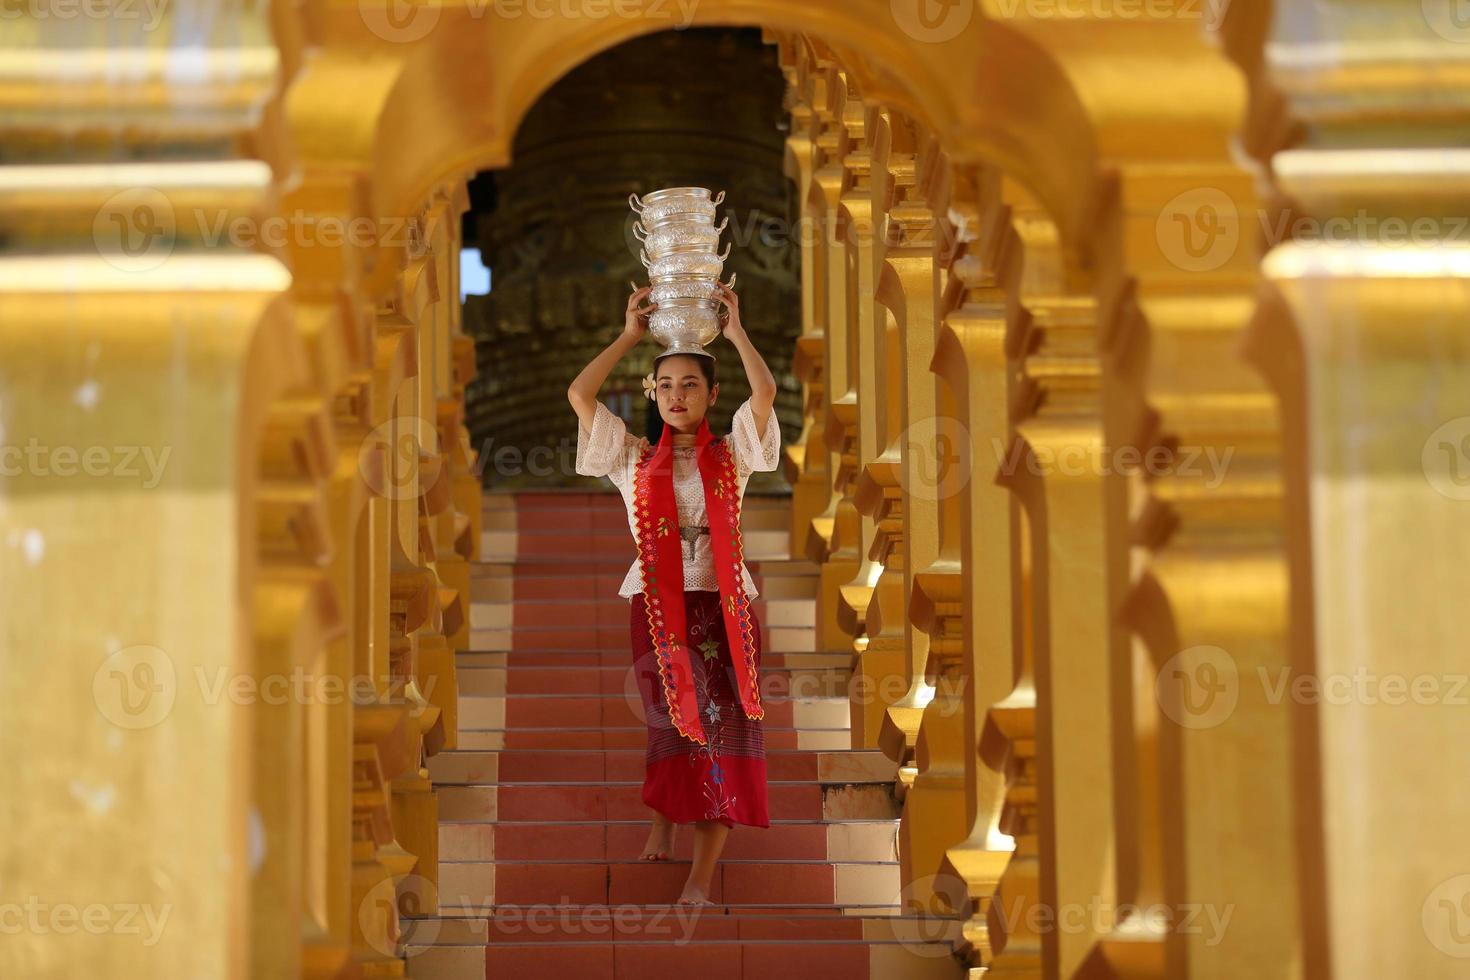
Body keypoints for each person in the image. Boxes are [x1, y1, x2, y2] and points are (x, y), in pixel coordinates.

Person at [566, 281, 780, 906]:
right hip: (657, 610)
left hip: (722, 607)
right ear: (650, 395)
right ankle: (663, 815)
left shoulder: (733, 454)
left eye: (689, 385)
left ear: (713, 394)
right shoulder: (630, 459)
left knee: (716, 732)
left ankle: (699, 877)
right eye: (664, 386)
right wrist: (630, 335)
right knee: (669, 724)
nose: (676, 396)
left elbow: (763, 393)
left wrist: (736, 330)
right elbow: (580, 394)